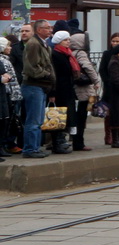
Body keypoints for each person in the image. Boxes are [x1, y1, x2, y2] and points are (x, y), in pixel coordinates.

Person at [20, 20, 55, 158]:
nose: (50, 30)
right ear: (39, 29)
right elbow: (31, 67)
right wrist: (47, 74)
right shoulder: (34, 44)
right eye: (47, 28)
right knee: (33, 120)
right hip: (33, 85)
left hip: (41, 86)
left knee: (39, 120)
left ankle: (35, 147)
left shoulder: (43, 44)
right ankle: (29, 149)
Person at [48, 31, 80, 154]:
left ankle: (61, 140)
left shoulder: (67, 54)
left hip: (67, 90)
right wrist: (53, 93)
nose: (68, 42)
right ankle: (57, 143)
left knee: (66, 117)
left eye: (68, 40)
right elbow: (55, 75)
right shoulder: (56, 54)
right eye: (65, 40)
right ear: (59, 41)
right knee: (58, 117)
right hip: (59, 91)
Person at [69, 32, 100, 151]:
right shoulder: (80, 53)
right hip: (84, 89)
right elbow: (87, 67)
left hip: (76, 88)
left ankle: (77, 141)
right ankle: (79, 143)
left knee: (79, 117)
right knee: (82, 117)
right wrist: (96, 80)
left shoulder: (71, 53)